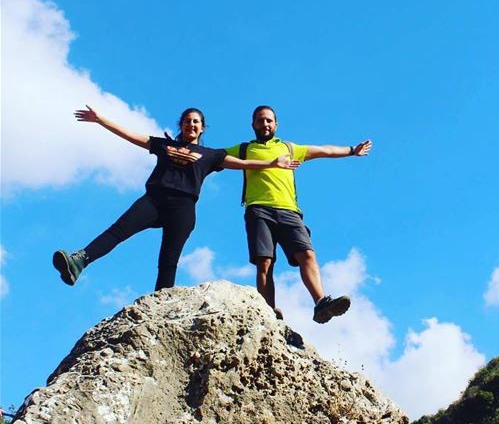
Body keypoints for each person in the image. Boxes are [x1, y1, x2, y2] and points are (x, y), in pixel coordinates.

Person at [52, 105, 300, 291]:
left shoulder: (211, 154)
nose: (192, 125)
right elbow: (130, 135)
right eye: (187, 121)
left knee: (168, 260)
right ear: (181, 124)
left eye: (196, 122)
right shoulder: (163, 145)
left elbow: (242, 163)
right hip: (154, 200)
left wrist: (271, 162)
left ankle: (160, 302)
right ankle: (79, 261)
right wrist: (100, 120)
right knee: (117, 231)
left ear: (202, 128)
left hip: (183, 207)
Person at [226, 105, 371, 324]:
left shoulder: (289, 148)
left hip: (289, 211)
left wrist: (352, 150)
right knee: (264, 262)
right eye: (260, 121)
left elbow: (324, 150)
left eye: (268, 120)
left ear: (276, 124)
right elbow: (214, 157)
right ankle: (268, 312)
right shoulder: (245, 149)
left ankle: (321, 303)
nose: (264, 124)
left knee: (307, 254)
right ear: (253, 125)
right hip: (258, 209)